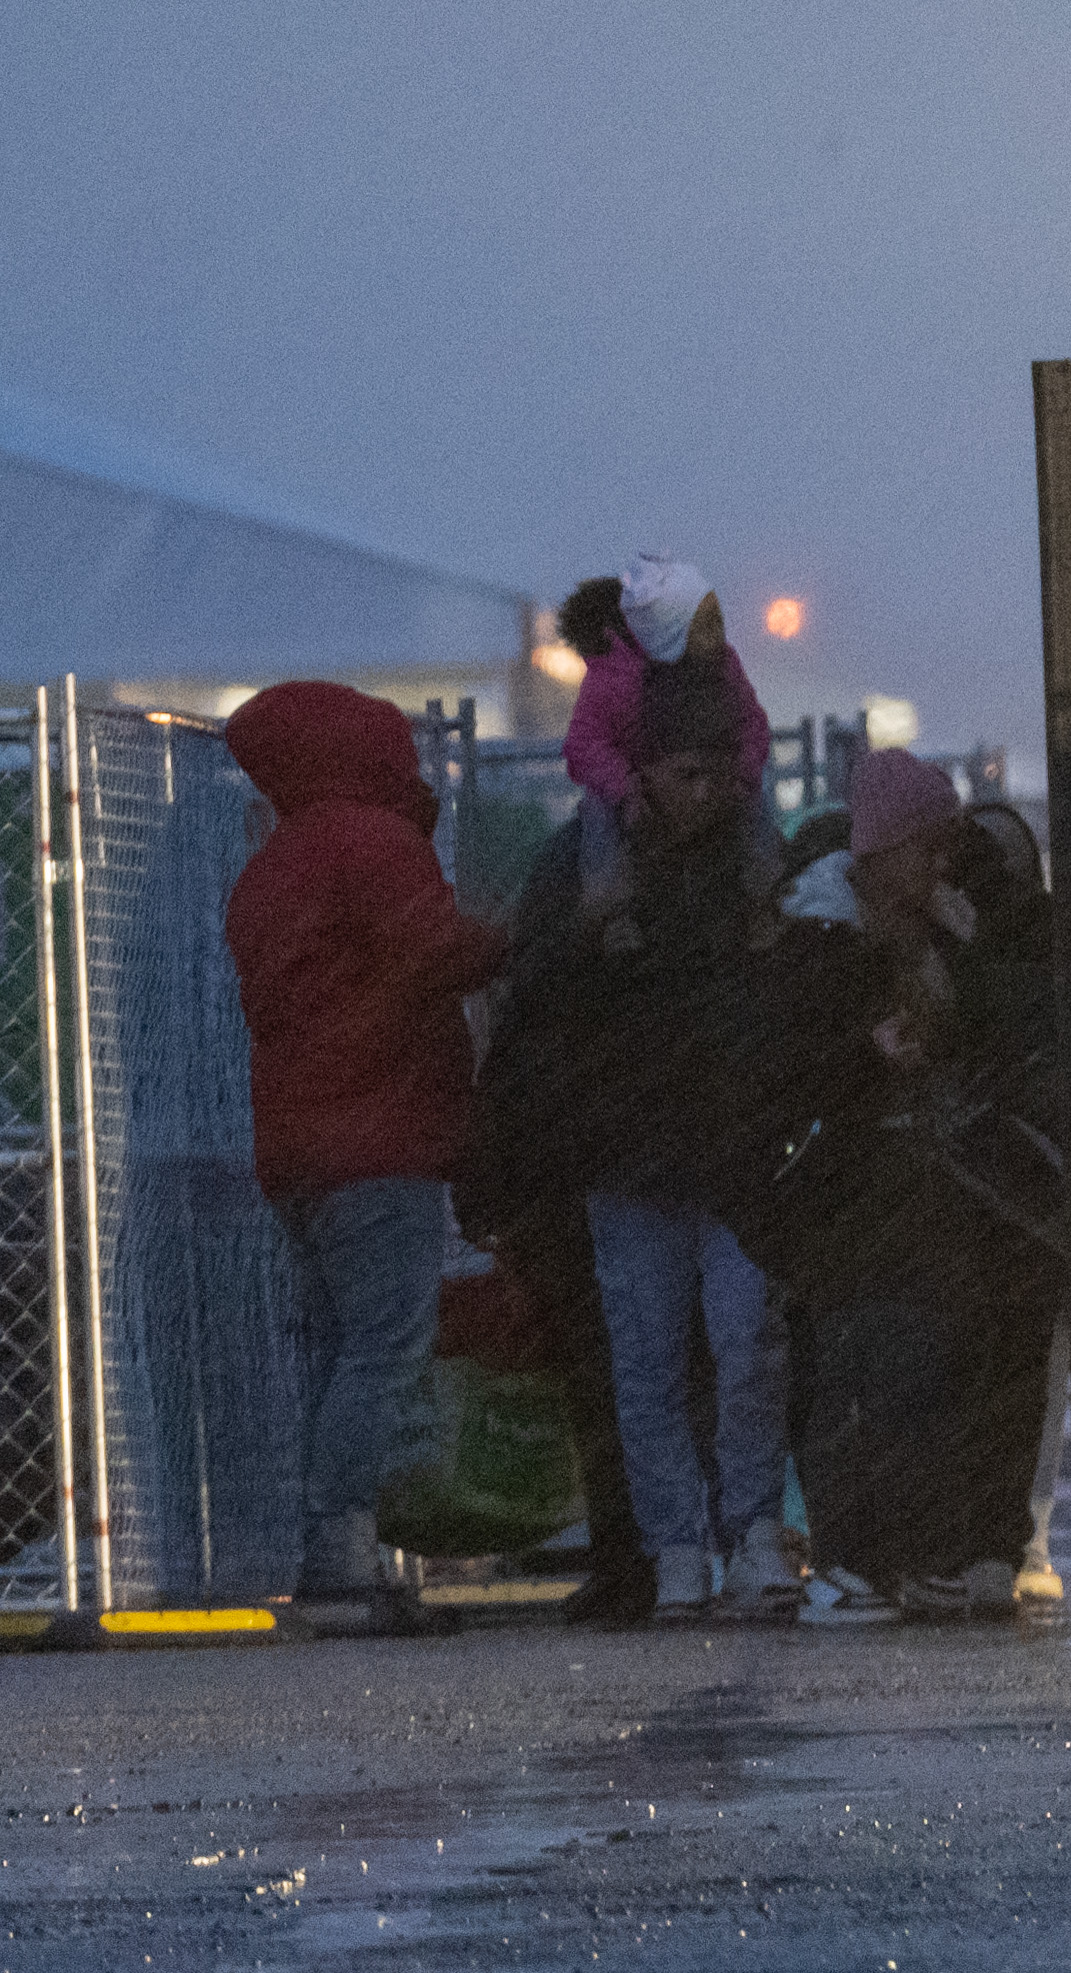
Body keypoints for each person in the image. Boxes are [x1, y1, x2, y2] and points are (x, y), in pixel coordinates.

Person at [739, 750, 1065, 1626]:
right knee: (887, 1368)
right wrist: (863, 1059)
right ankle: (890, 1553)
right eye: (928, 849)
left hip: (937, 1196)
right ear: (883, 852)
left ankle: (951, 1549)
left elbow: (1008, 1039)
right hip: (860, 1201)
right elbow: (777, 1075)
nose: (942, 867)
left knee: (957, 1363)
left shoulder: (945, 937)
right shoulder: (820, 947)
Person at [508, 662, 797, 1625]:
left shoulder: (587, 872)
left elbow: (536, 998)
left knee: (669, 1358)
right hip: (710, 1143)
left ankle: (687, 1545)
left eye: (715, 772)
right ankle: (735, 1534)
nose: (707, 791)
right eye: (691, 773)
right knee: (724, 1348)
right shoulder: (754, 876)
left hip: (641, 1144)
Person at [223, 680, 507, 1632]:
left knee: (340, 1348)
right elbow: (434, 951)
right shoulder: (370, 841)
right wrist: (517, 933)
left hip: (301, 1144)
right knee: (386, 1345)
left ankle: (337, 1554)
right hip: (381, 1132)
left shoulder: (274, 863)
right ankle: (344, 1555)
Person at [558, 556, 776, 905]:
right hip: (637, 777)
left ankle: (764, 889)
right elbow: (584, 744)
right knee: (600, 818)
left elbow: (749, 721)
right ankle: (608, 902)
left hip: (695, 768)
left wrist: (744, 770)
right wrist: (624, 784)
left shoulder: (710, 661)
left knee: (756, 799)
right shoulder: (611, 675)